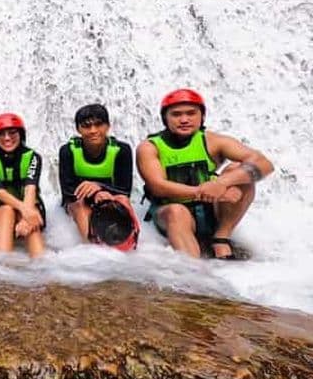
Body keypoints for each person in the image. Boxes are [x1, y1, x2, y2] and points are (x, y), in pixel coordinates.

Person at [136, 89, 274, 259]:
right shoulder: (149, 147)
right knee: (176, 212)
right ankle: (195, 272)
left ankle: (222, 238)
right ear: (165, 119)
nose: (184, 119)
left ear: (202, 116)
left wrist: (221, 184)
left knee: (238, 170)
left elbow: (264, 163)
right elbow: (158, 187)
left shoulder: (214, 141)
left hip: (211, 210)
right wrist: (204, 191)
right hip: (171, 213)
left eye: (191, 113)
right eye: (176, 114)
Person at [58, 104, 138, 251]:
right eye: (86, 126)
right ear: (78, 129)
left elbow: (125, 190)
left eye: (98, 124)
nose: (93, 131)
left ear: (108, 126)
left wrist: (101, 188)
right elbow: (68, 192)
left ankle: (127, 245)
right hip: (77, 202)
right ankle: (93, 252)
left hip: (109, 197)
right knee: (81, 206)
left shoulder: (122, 150)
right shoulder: (67, 151)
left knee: (123, 200)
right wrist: (94, 193)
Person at [0, 113, 46, 257]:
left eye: (12, 133)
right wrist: (26, 211)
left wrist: (26, 216)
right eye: (1, 134)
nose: (7, 138)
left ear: (21, 134)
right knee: (7, 210)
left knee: (31, 214)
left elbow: (30, 188)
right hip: (3, 207)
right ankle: (3, 262)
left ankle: (42, 262)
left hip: (28, 204)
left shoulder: (33, 157)